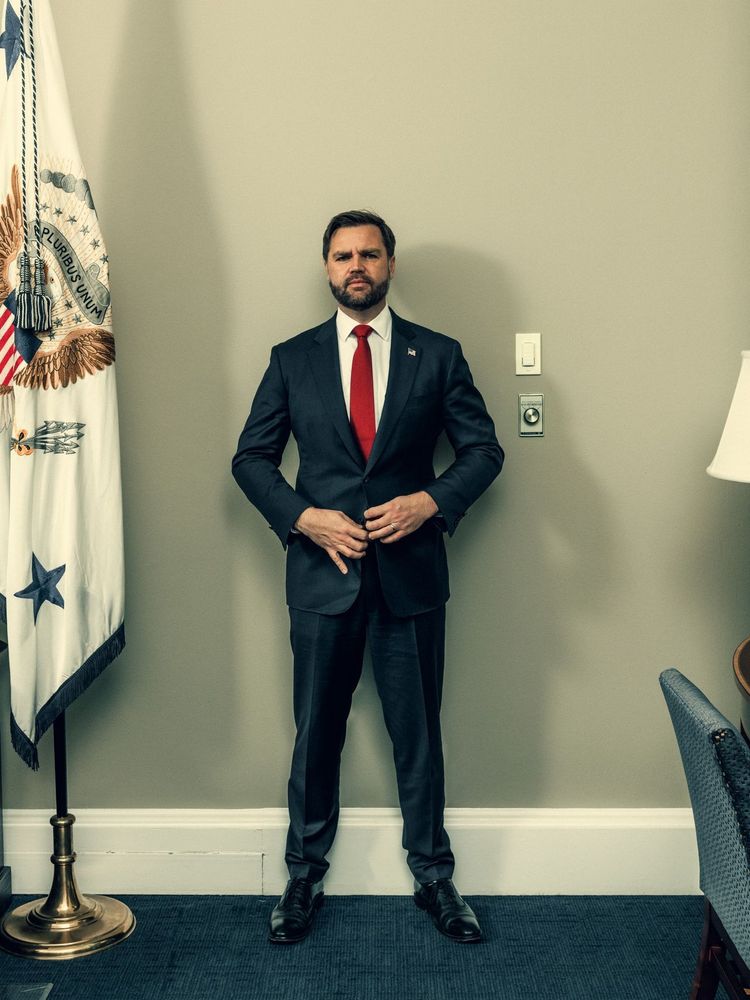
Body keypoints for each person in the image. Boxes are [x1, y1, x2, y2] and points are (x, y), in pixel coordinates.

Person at [232, 210, 503, 944]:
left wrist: (430, 502)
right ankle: (302, 878)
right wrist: (303, 518)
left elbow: (483, 452)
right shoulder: (291, 359)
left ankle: (436, 878)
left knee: (418, 734)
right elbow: (250, 460)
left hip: (411, 579)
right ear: (327, 267)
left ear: (390, 264)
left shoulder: (438, 355)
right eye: (344, 255)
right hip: (322, 580)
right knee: (316, 733)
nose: (358, 266)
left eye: (371, 254)